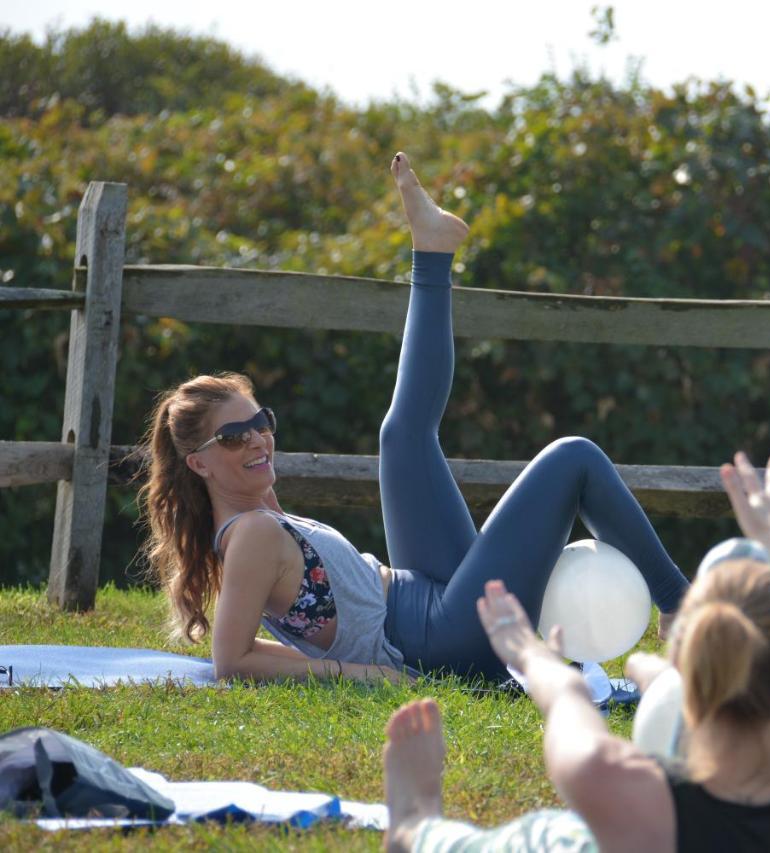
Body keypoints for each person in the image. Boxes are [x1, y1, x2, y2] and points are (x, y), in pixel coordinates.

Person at [137, 153, 689, 682]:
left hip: (419, 596)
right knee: (575, 458)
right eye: (235, 436)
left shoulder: (259, 512)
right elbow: (232, 660)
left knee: (401, 436)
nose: (258, 438)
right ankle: (681, 606)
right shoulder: (251, 532)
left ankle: (431, 251)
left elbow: (280, 634)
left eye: (262, 422)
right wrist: (363, 674)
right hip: (436, 639)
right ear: (200, 463)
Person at [380, 453, 770, 852]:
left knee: (549, 839)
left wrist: (529, 654)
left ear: (684, 674)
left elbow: (570, 702)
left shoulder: (621, 787)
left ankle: (413, 825)